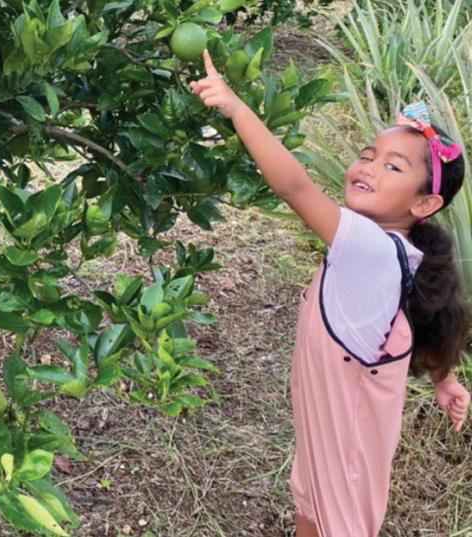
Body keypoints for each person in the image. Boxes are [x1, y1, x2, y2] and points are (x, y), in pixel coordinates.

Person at [190, 50, 471, 536]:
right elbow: (423, 315)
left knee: (331, 523)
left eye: (394, 168)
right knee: (313, 511)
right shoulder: (396, 251)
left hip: (348, 442)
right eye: (368, 155)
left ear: (424, 203)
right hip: (333, 426)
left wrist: (236, 109)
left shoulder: (370, 249)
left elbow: (296, 188)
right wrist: (444, 379)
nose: (369, 167)